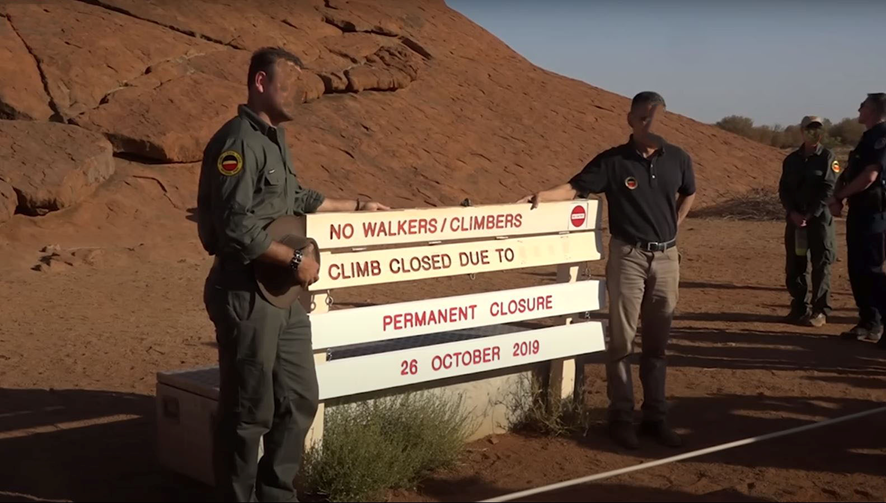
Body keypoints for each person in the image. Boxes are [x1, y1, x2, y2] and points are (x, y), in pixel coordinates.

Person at [197, 46, 390, 502]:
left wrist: (358, 206)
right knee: (248, 413)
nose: (298, 96)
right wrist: (292, 260)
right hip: (247, 294)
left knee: (300, 399)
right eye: (289, 85)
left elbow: (297, 198)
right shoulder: (237, 142)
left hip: (284, 298)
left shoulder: (273, 139)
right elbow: (234, 228)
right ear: (260, 83)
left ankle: (277, 493)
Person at [518, 91, 696, 450]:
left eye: (656, 117)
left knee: (658, 345)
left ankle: (655, 417)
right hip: (628, 255)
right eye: (644, 118)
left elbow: (689, 192)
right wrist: (540, 195)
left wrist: (675, 224)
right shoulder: (614, 162)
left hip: (667, 259)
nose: (650, 124)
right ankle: (620, 417)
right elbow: (574, 187)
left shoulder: (678, 158)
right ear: (631, 120)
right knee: (621, 340)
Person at [828, 93, 886, 346]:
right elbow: (852, 171)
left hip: (875, 213)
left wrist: (840, 195)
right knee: (859, 269)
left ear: (873, 109)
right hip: (862, 211)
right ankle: (868, 322)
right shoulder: (868, 138)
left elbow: (870, 176)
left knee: (870, 269)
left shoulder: (881, 138)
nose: (858, 109)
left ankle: (876, 323)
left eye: (863, 106)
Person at [777, 116, 838, 327]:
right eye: (809, 129)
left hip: (818, 221)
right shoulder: (791, 160)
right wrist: (793, 212)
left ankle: (819, 311)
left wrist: (811, 214)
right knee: (796, 263)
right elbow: (783, 189)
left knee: (821, 264)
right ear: (802, 131)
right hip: (795, 221)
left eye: (817, 130)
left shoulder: (829, 158)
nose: (814, 133)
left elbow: (830, 188)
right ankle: (799, 306)